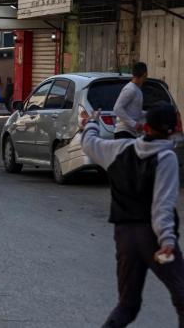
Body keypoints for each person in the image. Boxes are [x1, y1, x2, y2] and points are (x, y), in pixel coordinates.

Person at [81, 104, 184, 326]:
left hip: (125, 237)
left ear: (145, 127)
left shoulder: (119, 149)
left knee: (127, 305)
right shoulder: (166, 158)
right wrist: (167, 240)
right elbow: (161, 206)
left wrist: (91, 122)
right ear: (175, 128)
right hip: (153, 239)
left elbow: (89, 143)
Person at [114, 62, 148, 140]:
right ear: (145, 74)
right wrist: (134, 124)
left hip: (132, 133)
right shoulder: (130, 89)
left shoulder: (137, 90)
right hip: (123, 133)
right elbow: (117, 108)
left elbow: (134, 112)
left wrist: (149, 113)